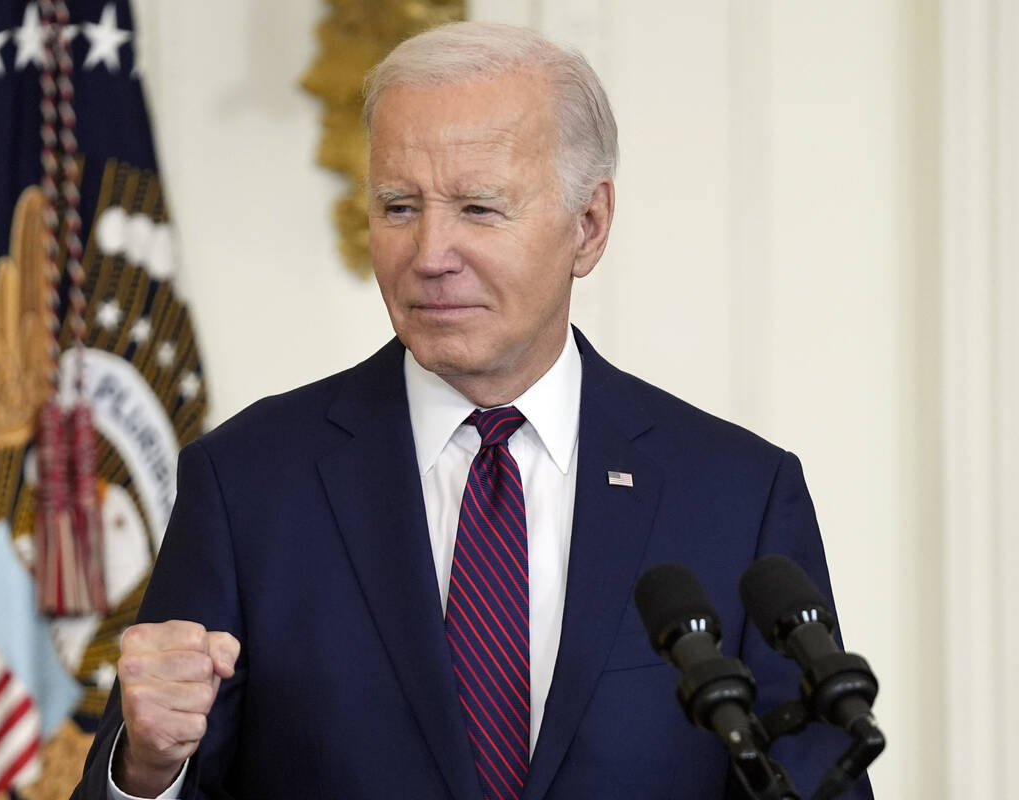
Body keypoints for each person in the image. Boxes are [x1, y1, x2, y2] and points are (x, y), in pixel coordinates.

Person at [73, 21, 872, 800]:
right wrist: (146, 774)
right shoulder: (247, 484)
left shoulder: (738, 496)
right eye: (397, 207)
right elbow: (155, 756)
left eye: (479, 210)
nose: (428, 255)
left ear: (588, 226)